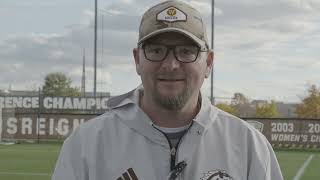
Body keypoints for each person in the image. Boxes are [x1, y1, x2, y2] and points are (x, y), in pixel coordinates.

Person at [52, 0, 283, 180]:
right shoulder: (87, 144)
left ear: (209, 63)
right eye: (156, 50)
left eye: (186, 51)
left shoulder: (248, 145)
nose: (171, 64)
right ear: (137, 59)